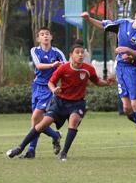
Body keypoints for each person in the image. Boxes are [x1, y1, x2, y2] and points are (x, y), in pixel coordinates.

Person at [6, 43, 114, 161]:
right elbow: (51, 82)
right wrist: (54, 90)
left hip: (77, 103)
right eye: (77, 52)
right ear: (71, 55)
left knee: (73, 121)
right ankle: (20, 148)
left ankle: (64, 153)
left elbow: (97, 81)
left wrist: (106, 83)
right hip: (60, 102)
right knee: (42, 124)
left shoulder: (88, 69)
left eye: (82, 52)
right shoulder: (63, 68)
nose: (80, 54)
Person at [81, 7, 136, 161]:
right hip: (121, 69)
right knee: (127, 109)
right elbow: (104, 25)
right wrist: (89, 19)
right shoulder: (123, 23)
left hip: (133, 70)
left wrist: (127, 51)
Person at [19, 27, 67, 159]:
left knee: (35, 119)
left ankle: (31, 150)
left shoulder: (57, 52)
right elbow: (38, 65)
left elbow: (66, 66)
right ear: (38, 38)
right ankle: (54, 136)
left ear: (51, 37)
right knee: (38, 121)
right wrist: (53, 65)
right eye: (42, 34)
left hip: (49, 88)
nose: (45, 36)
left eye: (47, 34)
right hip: (36, 87)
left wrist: (60, 66)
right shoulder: (34, 50)